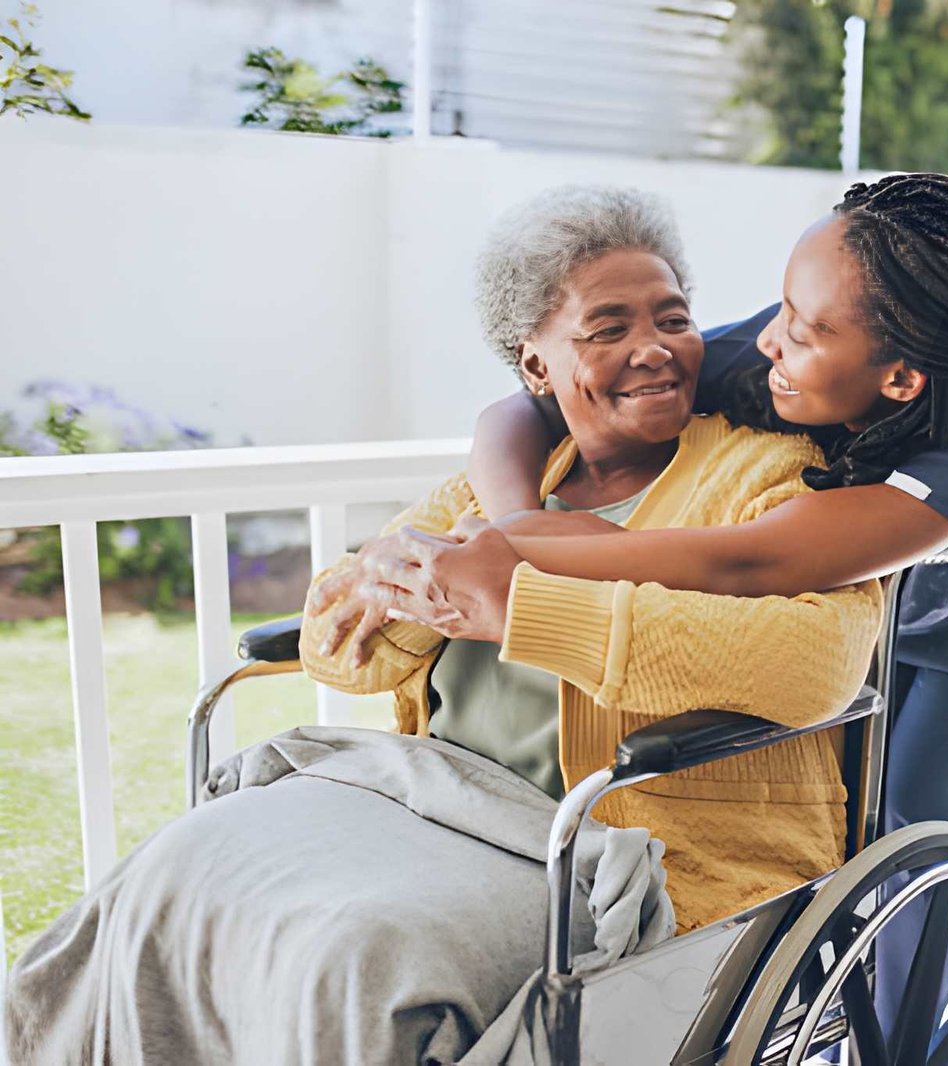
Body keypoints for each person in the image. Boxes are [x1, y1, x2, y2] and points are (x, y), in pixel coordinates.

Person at [5, 185, 884, 1064]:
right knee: (167, 875)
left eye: (672, 318)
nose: (652, 350)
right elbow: (334, 648)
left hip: (620, 845)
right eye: (606, 328)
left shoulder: (772, 476)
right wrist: (393, 591)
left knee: (361, 960)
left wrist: (522, 607)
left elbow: (818, 663)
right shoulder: (498, 486)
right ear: (535, 366)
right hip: (438, 804)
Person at [417, 173, 948, 1052]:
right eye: (780, 309)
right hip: (856, 569)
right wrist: (514, 522)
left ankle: (899, 1045)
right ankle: (795, 998)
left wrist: (517, 557)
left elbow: (752, 558)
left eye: (801, 326)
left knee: (908, 805)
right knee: (812, 759)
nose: (765, 340)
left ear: (900, 375)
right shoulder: (793, 342)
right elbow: (517, 411)